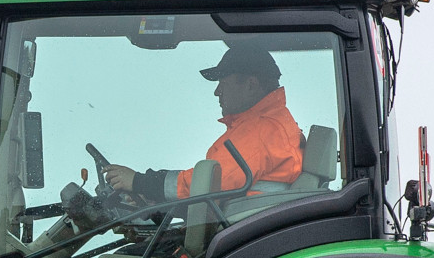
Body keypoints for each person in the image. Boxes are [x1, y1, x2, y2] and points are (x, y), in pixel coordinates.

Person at [101, 43, 304, 203]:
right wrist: (156, 201)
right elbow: (214, 195)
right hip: (239, 229)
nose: (217, 92)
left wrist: (139, 182)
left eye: (223, 83)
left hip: (240, 239)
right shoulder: (269, 124)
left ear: (251, 84)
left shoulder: (261, 129)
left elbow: (209, 185)